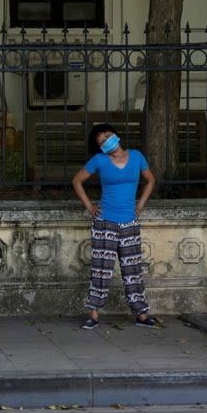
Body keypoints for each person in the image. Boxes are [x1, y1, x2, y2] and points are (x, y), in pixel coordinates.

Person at [72, 123, 157, 330]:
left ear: (116, 135)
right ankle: (93, 314)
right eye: (101, 140)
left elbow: (150, 180)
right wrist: (89, 206)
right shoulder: (100, 160)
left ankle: (141, 314)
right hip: (105, 223)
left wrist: (140, 204)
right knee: (101, 269)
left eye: (108, 135)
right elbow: (77, 181)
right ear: (99, 147)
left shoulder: (137, 156)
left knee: (133, 269)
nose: (106, 140)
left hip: (130, 222)